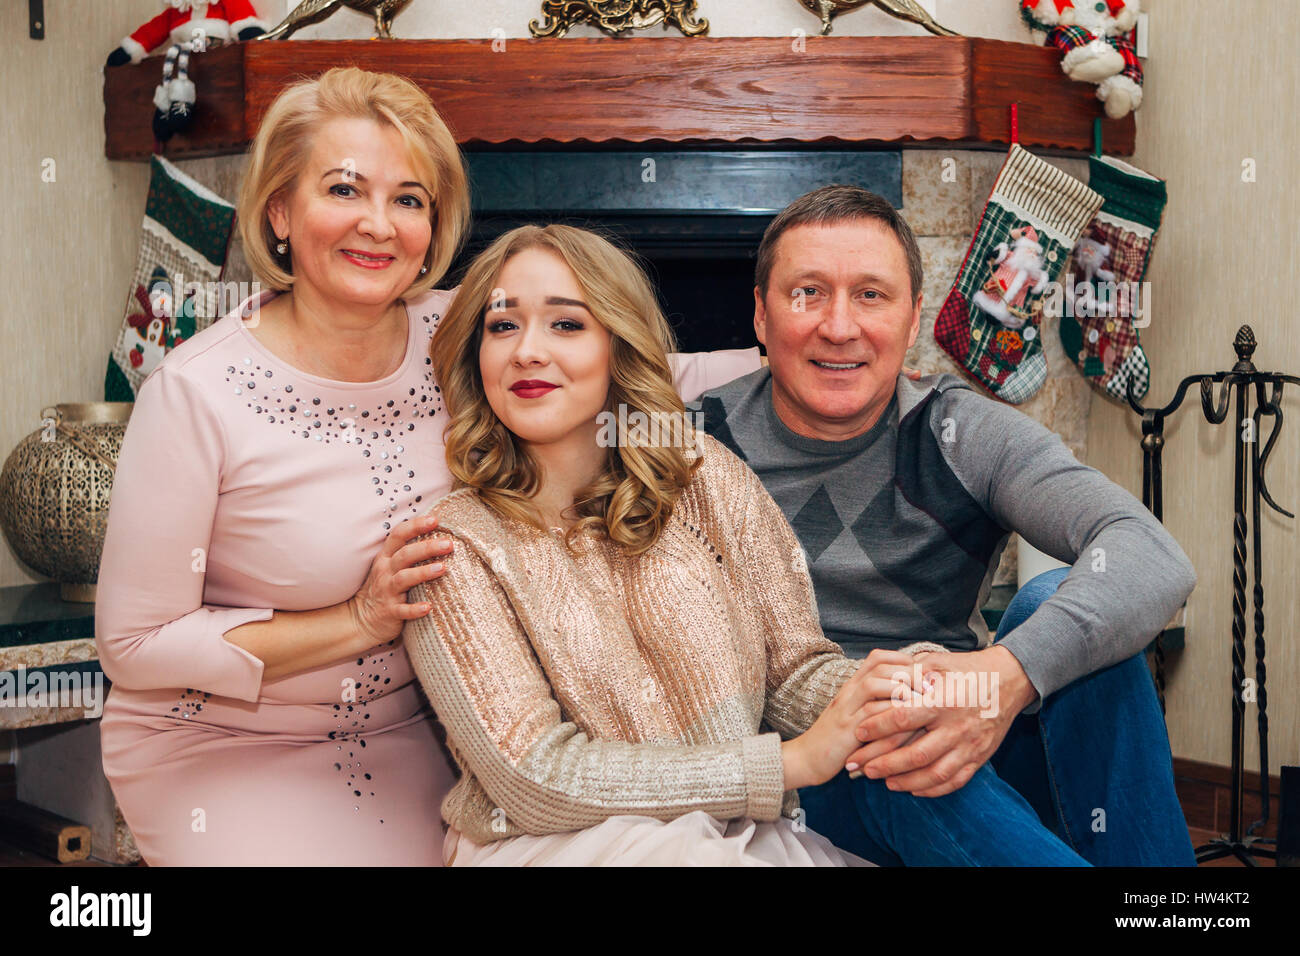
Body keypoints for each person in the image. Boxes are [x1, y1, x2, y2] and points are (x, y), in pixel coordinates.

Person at [93, 68, 760, 866]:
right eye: (344, 190)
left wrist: (796, 355)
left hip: (427, 737)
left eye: (408, 199)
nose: (378, 225)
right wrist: (357, 620)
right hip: (226, 742)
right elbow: (135, 644)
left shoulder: (462, 331)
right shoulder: (194, 395)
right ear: (279, 209)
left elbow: (629, 370)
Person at [402, 222, 964, 866]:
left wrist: (898, 689)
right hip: (551, 847)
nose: (528, 351)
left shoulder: (700, 472)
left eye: (566, 324)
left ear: (619, 344)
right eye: (502, 326)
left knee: (931, 760)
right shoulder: (450, 544)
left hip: (732, 831)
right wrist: (786, 764)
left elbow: (793, 673)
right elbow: (532, 778)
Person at [693, 184, 1199, 866]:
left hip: (971, 739)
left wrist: (1001, 677)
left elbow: (1152, 556)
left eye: (871, 295)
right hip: (816, 764)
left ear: (912, 320)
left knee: (1058, 606)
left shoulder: (961, 430)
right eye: (807, 292)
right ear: (760, 315)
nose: (839, 326)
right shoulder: (690, 443)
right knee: (890, 730)